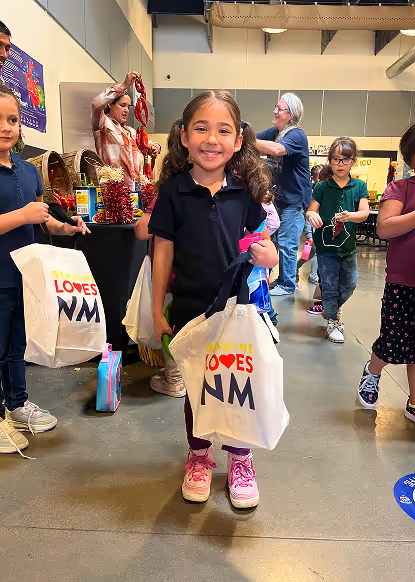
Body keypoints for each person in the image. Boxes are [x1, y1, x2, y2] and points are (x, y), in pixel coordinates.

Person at [148, 90, 278, 509]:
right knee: (198, 389)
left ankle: (240, 458)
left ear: (238, 139)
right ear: (184, 136)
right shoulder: (172, 191)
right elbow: (161, 250)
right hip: (190, 309)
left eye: (223, 130)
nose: (211, 138)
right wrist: (155, 308)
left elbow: (265, 246)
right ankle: (199, 456)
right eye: (201, 128)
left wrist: (271, 256)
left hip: (238, 309)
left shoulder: (245, 193)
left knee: (238, 383)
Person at [0, 85, 90, 456]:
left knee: (17, 346)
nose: (6, 127)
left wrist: (65, 227)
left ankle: (17, 405)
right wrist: (21, 215)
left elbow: (43, 221)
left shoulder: (28, 171)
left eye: (13, 119)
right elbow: (25, 216)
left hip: (28, 278)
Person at [357, 120, 415, 434]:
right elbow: (385, 228)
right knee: (393, 340)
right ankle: (373, 369)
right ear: (409, 160)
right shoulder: (401, 188)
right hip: (405, 282)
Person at [306, 138, 369, 343]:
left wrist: (350, 216)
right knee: (329, 286)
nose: (340, 164)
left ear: (353, 161)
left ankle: (330, 308)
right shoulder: (322, 187)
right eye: (335, 159)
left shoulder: (359, 186)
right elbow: (311, 210)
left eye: (345, 159)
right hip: (325, 249)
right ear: (330, 161)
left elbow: (365, 213)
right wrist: (311, 216)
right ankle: (333, 320)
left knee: (350, 284)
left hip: (348, 247)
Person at [256, 92, 312, 297]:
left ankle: (287, 285)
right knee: (276, 242)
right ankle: (281, 279)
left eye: (279, 109)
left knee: (288, 244)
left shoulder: (296, 135)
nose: (275, 111)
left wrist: (242, 141)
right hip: (279, 200)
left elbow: (277, 149)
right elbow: (255, 138)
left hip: (294, 201)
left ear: (291, 114)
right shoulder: (276, 131)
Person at [134, 199, 186, 398]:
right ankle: (185, 372)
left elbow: (142, 231)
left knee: (170, 323)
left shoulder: (169, 194)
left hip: (172, 275)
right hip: (198, 276)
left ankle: (174, 380)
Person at [91, 71, 161, 191]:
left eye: (128, 107)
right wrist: (123, 86)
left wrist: (156, 147)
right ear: (110, 105)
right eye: (122, 105)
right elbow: (96, 104)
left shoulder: (131, 132)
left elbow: (147, 145)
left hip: (135, 192)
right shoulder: (104, 125)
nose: (126, 110)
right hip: (113, 192)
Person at [307, 164, 332, 315]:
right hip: (321, 236)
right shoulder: (319, 193)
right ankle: (324, 300)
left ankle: (327, 303)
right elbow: (310, 212)